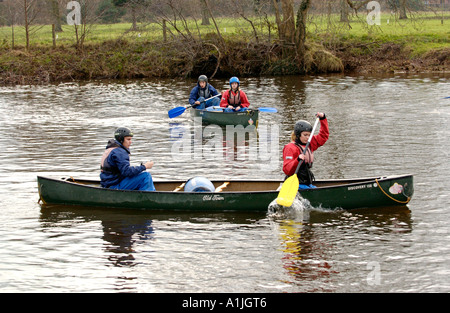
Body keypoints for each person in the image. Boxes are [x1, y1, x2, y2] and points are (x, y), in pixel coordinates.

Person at [282, 113, 329, 190]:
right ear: (298, 135)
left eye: (309, 135)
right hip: (295, 184)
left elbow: (324, 136)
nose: (308, 137)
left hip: (307, 182)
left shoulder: (310, 144)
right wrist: (297, 160)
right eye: (305, 135)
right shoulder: (290, 148)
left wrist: (323, 119)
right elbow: (287, 170)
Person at [100, 127, 155, 191]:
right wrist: (144, 166)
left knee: (139, 175)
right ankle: (149, 198)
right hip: (114, 186)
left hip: (108, 184)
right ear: (121, 139)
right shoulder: (119, 152)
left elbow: (123, 171)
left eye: (131, 139)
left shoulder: (112, 148)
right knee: (146, 176)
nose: (130, 142)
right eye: (128, 139)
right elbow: (127, 172)